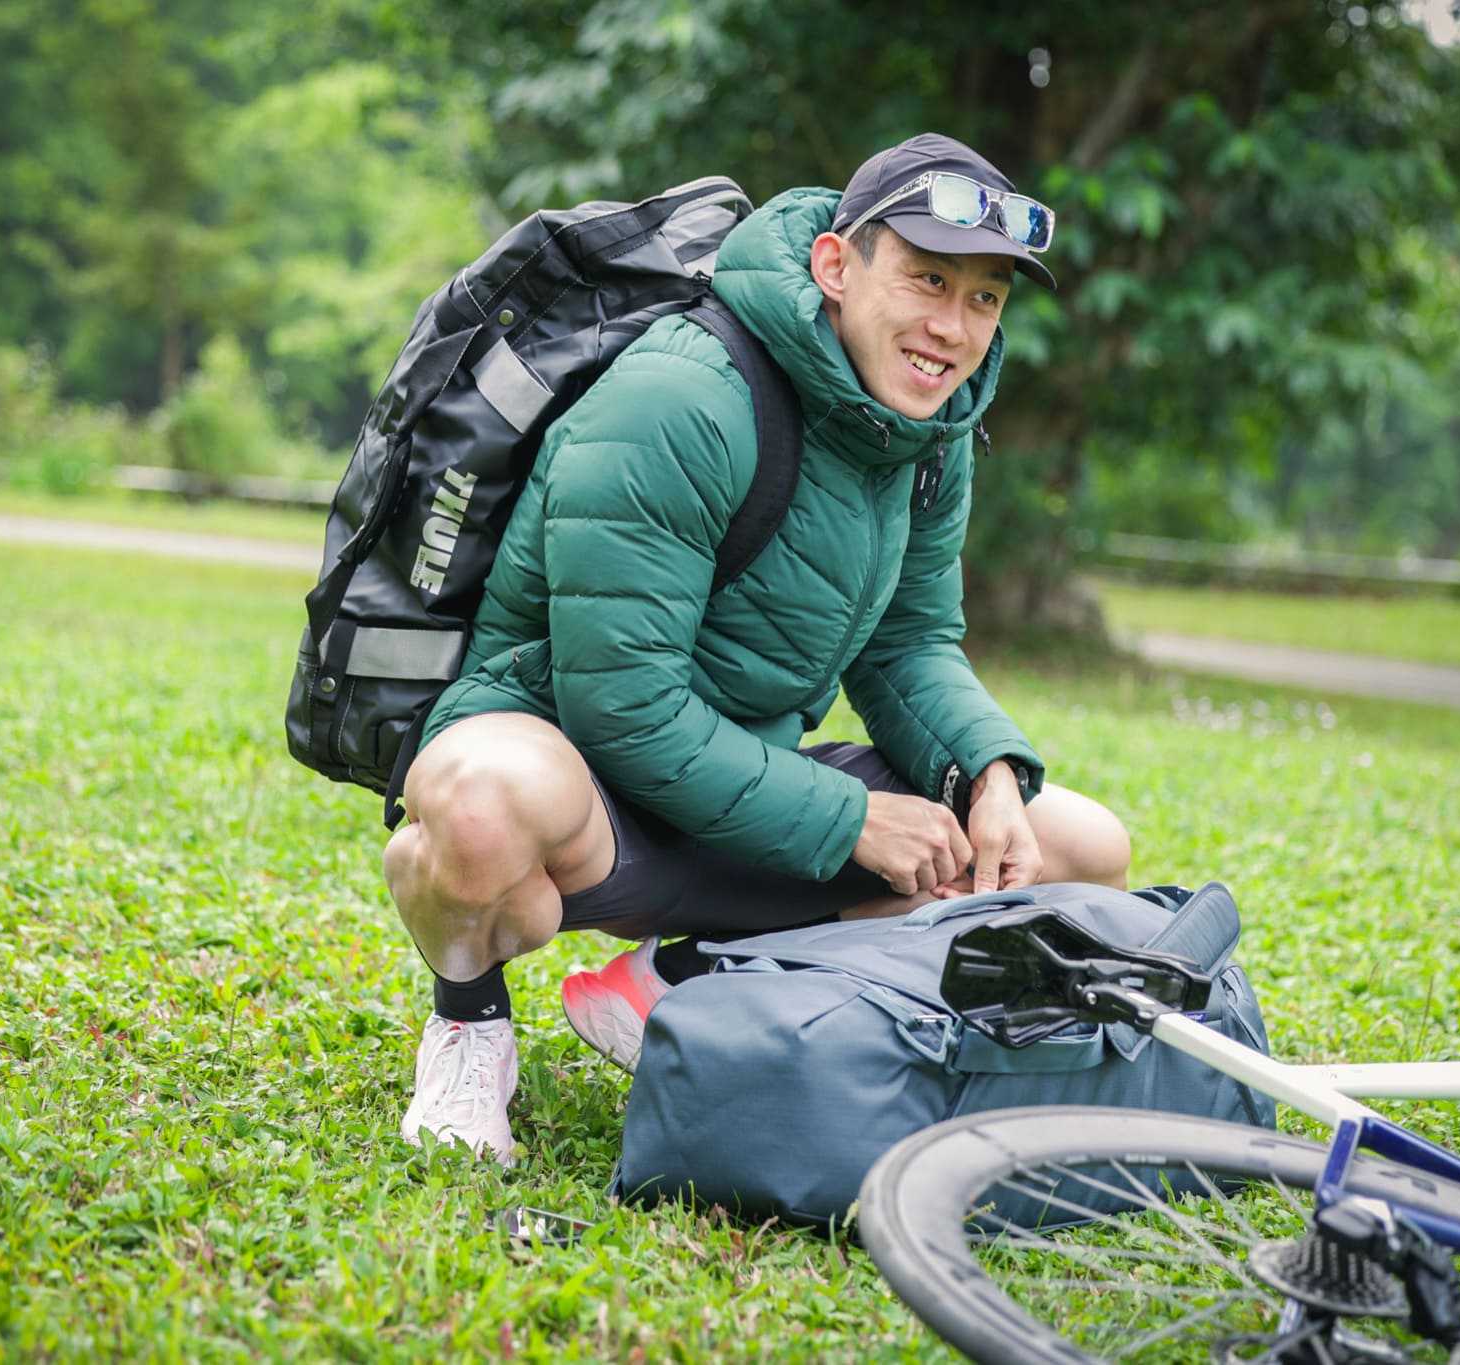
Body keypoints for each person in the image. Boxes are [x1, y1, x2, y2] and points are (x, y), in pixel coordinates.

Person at [384, 133, 1132, 1163]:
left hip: (748, 799)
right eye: (925, 279)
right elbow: (623, 706)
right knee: (473, 807)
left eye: (983, 299)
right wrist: (847, 819)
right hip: (582, 791)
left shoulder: (928, 435)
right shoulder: (683, 394)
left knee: (1073, 848)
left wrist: (989, 770)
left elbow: (909, 643)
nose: (950, 328)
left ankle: (676, 987)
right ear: (834, 266)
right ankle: (467, 1025)